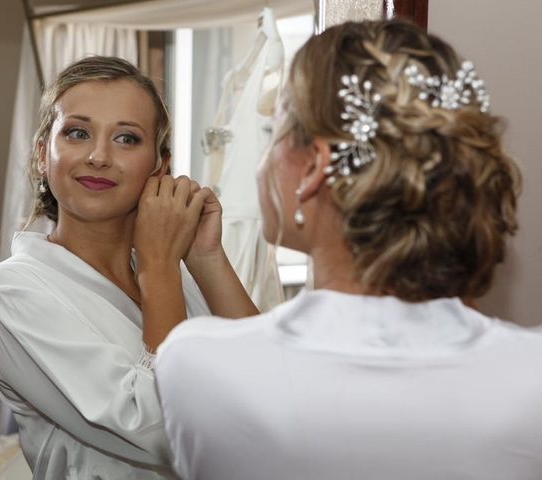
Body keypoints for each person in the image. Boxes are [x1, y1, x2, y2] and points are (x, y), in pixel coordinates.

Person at [154, 19, 542, 480]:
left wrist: (157, 264)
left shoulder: (198, 365)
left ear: (314, 166)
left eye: (271, 132)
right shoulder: (528, 377)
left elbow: (273, 368)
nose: (262, 161)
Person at [0, 56, 256, 479]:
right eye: (77, 133)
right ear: (41, 154)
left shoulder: (177, 272)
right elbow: (162, 430)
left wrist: (205, 257)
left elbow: (273, 389)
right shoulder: (11, 291)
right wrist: (160, 268)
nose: (99, 156)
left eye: (126, 138)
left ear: (159, 165)